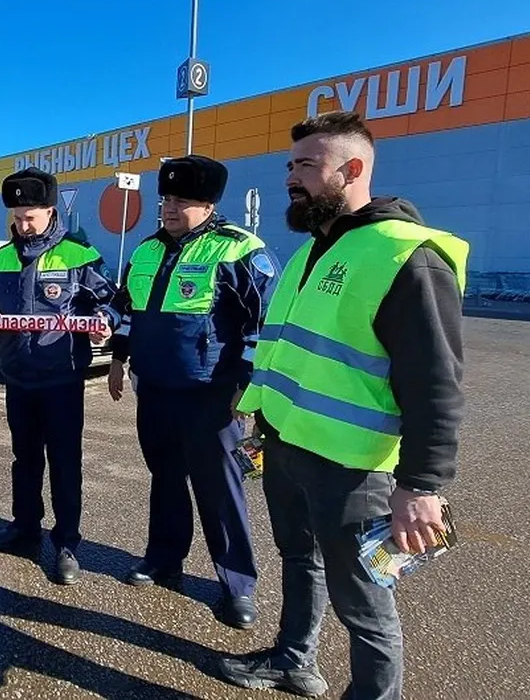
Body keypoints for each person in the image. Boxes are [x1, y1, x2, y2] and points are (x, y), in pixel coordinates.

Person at [219, 111, 467, 699]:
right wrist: (259, 415)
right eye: (290, 165)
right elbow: (289, 351)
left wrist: (422, 485)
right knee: (298, 560)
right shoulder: (311, 250)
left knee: (365, 602)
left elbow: (436, 383)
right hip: (286, 446)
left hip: (354, 469)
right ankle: (293, 660)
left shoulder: (406, 256)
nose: (291, 177)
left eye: (306, 165)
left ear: (352, 170)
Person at [107, 155, 278, 630]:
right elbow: (127, 311)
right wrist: (118, 360)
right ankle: (163, 559)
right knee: (164, 479)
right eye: (165, 198)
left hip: (211, 396)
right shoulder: (145, 251)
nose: (169, 208)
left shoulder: (239, 250)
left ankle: (238, 585)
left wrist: (245, 386)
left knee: (219, 489)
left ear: (208, 204)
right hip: (154, 389)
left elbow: (262, 324)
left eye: (181, 200)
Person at [0, 167, 118, 585]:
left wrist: (104, 321)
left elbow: (110, 301)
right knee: (24, 459)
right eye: (17, 217)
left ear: (50, 211)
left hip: (62, 378)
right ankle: (25, 528)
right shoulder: (1, 259)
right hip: (18, 377)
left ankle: (66, 543)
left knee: (64, 462)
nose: (23, 225)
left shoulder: (79, 255)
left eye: (30, 217)